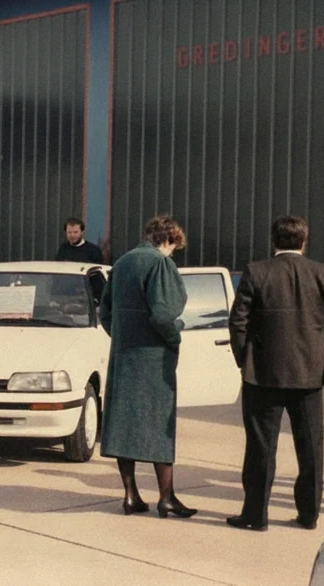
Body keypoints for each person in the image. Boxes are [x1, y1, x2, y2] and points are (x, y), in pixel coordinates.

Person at [226, 216, 324, 532]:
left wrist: (246, 360)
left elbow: (238, 323)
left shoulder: (257, 271)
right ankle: (309, 515)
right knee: (310, 447)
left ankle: (255, 515)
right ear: (304, 241)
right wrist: (322, 359)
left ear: (274, 241)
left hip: (262, 375)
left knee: (261, 446)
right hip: (309, 376)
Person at [100, 214, 197, 519]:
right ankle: (166, 497)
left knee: (123, 426)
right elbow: (162, 314)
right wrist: (174, 337)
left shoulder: (122, 263)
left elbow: (105, 313)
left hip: (123, 355)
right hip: (153, 358)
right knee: (159, 426)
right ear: (167, 239)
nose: (173, 253)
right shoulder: (159, 263)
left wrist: (123, 336)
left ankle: (130, 496)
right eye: (174, 247)